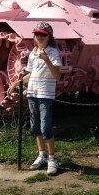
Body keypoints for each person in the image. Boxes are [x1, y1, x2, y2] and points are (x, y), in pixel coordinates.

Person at [8, 22, 62, 175]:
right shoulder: (32, 53)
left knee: (46, 127)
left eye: (43, 34)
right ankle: (42, 155)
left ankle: (52, 158)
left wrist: (46, 59)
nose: (39, 37)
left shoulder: (53, 53)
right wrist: (16, 83)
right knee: (35, 127)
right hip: (32, 93)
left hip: (45, 95)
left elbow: (57, 75)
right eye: (37, 34)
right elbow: (30, 74)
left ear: (49, 36)